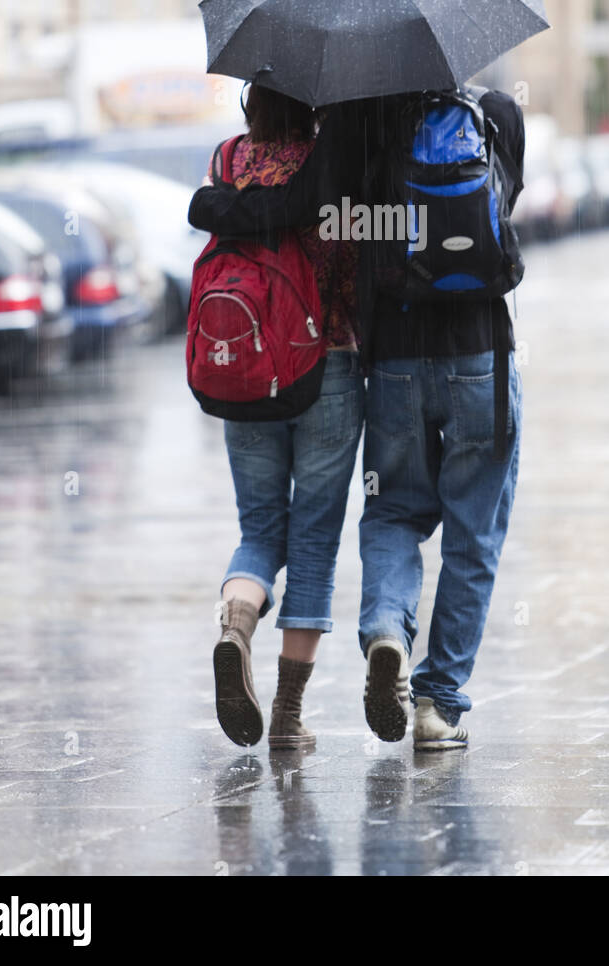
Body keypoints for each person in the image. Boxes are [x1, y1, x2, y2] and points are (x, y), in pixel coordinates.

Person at [198, 87, 525, 752]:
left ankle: (368, 630)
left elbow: (354, 233)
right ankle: (435, 705)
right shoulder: (495, 115)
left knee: (388, 514)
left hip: (373, 362)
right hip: (460, 355)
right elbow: (497, 211)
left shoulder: (347, 130)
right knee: (468, 537)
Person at [188, 85, 363, 751]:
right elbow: (348, 269)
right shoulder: (327, 165)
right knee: (314, 541)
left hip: (247, 367)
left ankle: (236, 624)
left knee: (259, 529)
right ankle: (287, 719)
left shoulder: (227, 161)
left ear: (250, 104)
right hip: (327, 365)